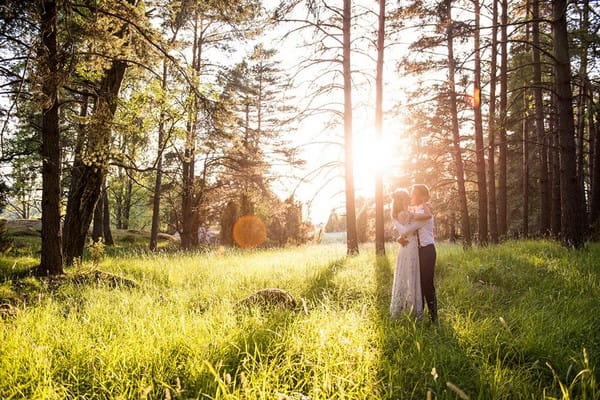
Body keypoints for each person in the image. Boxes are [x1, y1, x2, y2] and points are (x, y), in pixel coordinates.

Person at [389, 189, 432, 319]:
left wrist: (401, 235)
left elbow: (406, 230)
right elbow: (405, 230)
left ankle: (411, 310)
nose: (410, 198)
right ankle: (410, 311)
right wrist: (403, 234)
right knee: (408, 276)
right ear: (402, 200)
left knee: (412, 276)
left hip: (412, 246)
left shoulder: (409, 213)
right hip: (408, 247)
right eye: (408, 197)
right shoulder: (403, 214)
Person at [410, 184, 438, 323]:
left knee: (427, 284)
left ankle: (434, 318)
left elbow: (424, 217)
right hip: (419, 251)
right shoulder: (418, 210)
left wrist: (408, 215)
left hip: (427, 250)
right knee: (419, 284)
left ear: (421, 196)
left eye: (414, 194)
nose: (411, 196)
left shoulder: (423, 211)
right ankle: (420, 316)